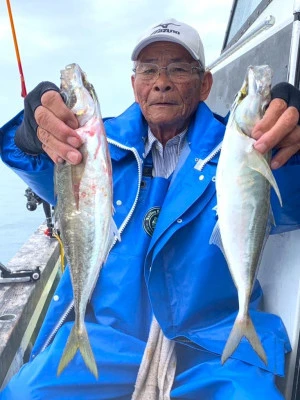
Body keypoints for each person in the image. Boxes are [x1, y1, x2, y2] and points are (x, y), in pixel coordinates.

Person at [1, 17, 300, 400]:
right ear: (133, 84)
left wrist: (290, 149)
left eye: (178, 68)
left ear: (205, 84)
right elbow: (42, 169)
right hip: (108, 340)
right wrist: (30, 136)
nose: (161, 81)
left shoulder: (243, 149)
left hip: (213, 345)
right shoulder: (91, 146)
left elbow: (287, 199)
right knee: (25, 394)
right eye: (148, 69)